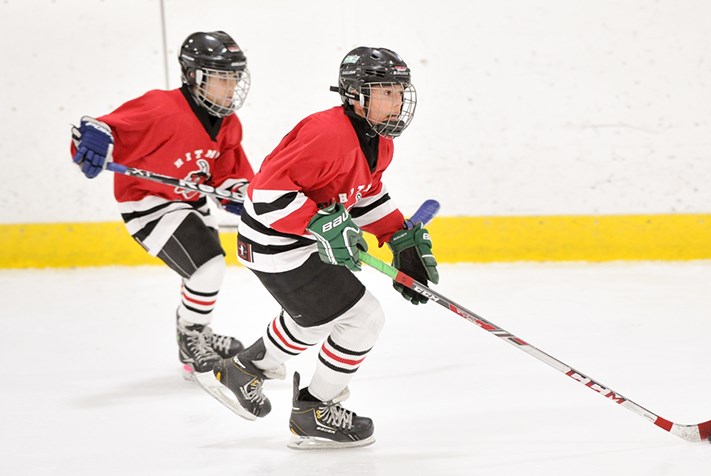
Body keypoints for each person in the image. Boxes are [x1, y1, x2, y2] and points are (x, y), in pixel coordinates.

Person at [197, 46, 439, 449]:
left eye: (400, 91)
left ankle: (245, 369)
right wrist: (317, 222)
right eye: (385, 92)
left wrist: (398, 237)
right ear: (355, 95)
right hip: (276, 244)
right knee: (363, 319)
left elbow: (363, 195)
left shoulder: (380, 140)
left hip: (298, 241)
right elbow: (264, 194)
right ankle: (314, 410)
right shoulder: (327, 133)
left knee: (315, 319)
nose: (396, 102)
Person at [70, 31, 255, 378]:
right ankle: (192, 338)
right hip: (148, 204)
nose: (230, 88)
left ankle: (196, 332)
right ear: (193, 76)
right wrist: (94, 140)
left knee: (202, 272)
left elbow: (229, 174)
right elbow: (99, 129)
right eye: (220, 78)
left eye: (234, 78)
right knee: (208, 267)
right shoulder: (161, 107)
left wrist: (241, 197)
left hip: (190, 203)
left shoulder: (229, 123)